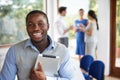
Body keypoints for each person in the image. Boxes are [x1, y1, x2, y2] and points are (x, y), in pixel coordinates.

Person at [0, 10, 85, 80]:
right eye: (30, 25)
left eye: (40, 24)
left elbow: (69, 78)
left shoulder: (62, 50)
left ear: (48, 26)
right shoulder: (14, 51)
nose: (36, 28)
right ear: (26, 28)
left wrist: (45, 79)